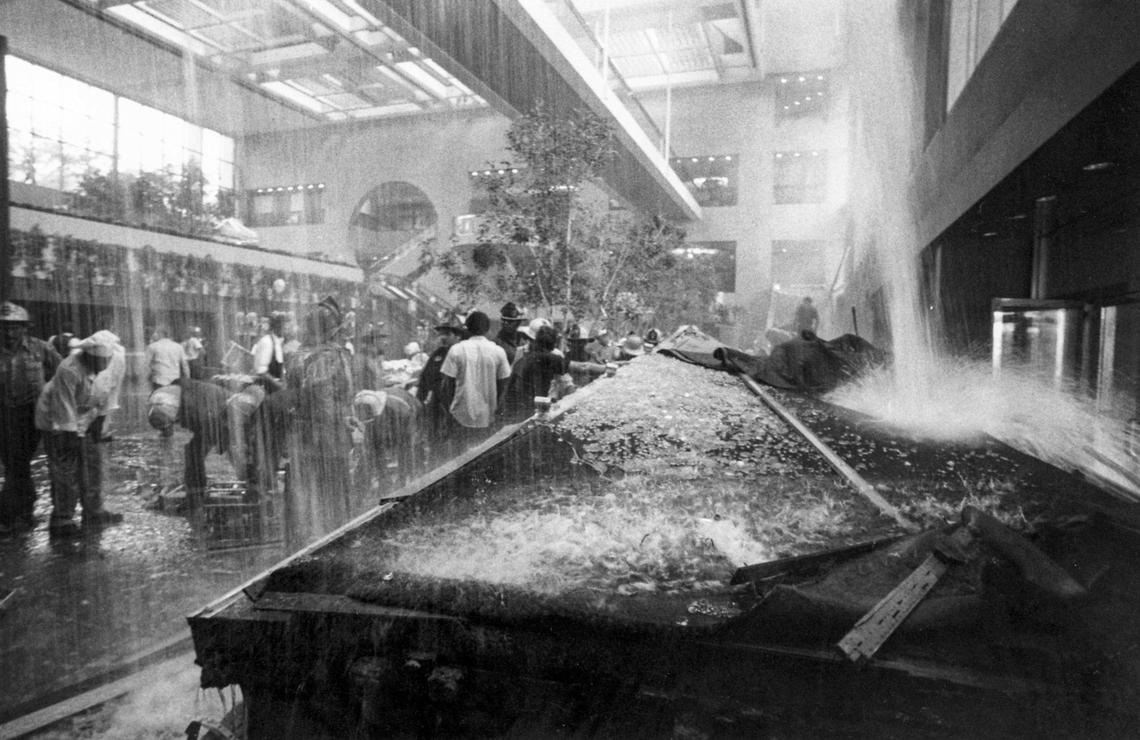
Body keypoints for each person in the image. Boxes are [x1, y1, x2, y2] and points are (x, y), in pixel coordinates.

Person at [35, 332, 122, 537]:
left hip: (87, 413)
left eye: (106, 360)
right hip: (55, 416)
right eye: (98, 360)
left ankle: (94, 511)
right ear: (87, 356)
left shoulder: (116, 362)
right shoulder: (69, 368)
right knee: (66, 468)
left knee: (93, 462)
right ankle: (62, 519)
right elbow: (63, 407)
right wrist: (70, 437)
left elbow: (111, 393)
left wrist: (101, 422)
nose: (102, 364)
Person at [285, 296, 356, 547]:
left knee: (301, 487)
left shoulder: (296, 355)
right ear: (332, 329)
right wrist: (342, 420)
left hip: (301, 432)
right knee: (334, 488)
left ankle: (298, 540)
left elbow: (293, 394)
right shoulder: (333, 356)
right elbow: (330, 396)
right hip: (327, 434)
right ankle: (336, 537)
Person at [0, 302, 61, 534]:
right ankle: (21, 510)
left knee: (18, 462)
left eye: (15, 327)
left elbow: (62, 374)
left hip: (32, 415)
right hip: (4, 414)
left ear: (25, 328)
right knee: (14, 463)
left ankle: (13, 512)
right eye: (4, 328)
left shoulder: (41, 349)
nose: (9, 333)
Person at [440, 311, 511, 448]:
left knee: (458, 460)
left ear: (467, 327)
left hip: (460, 416)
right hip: (488, 417)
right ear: (487, 329)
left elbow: (446, 385)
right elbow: (504, 383)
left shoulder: (456, 350)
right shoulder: (498, 351)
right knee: (483, 459)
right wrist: (496, 409)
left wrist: (449, 411)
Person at [417, 320, 466, 458]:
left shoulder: (463, 354)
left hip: (458, 401)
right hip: (438, 404)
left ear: (458, 336)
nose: (442, 337)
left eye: (447, 334)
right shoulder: (437, 354)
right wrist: (419, 400)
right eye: (440, 334)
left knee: (458, 441)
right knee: (435, 439)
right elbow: (425, 378)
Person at [145, 325, 190, 391]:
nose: (153, 335)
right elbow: (185, 364)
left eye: (155, 333)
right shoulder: (178, 346)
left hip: (159, 379)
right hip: (175, 379)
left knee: (158, 398)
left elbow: (146, 364)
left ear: (160, 334)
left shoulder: (152, 346)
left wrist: (146, 378)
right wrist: (187, 377)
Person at [251, 313, 286, 390]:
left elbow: (280, 369)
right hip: (265, 388)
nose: (259, 325)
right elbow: (261, 371)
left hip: (271, 389)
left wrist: (282, 384)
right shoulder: (265, 342)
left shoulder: (272, 341)